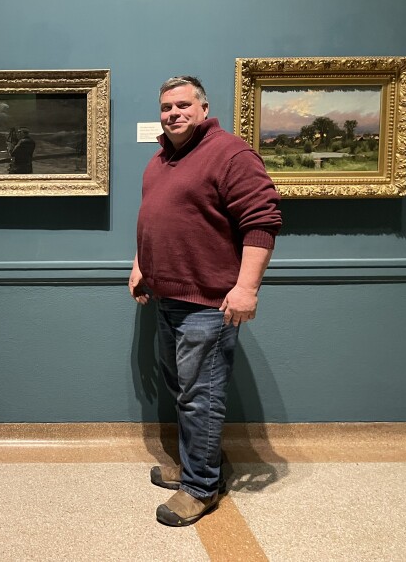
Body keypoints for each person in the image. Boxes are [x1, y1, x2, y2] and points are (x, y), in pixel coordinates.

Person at [129, 76, 282, 527]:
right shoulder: (160, 160)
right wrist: (141, 264)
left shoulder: (231, 153)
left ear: (203, 108)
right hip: (168, 299)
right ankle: (193, 467)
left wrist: (247, 288)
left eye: (182, 105)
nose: (173, 113)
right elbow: (154, 219)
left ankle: (200, 487)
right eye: (166, 107)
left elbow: (262, 222)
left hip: (209, 305)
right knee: (184, 393)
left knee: (202, 397)